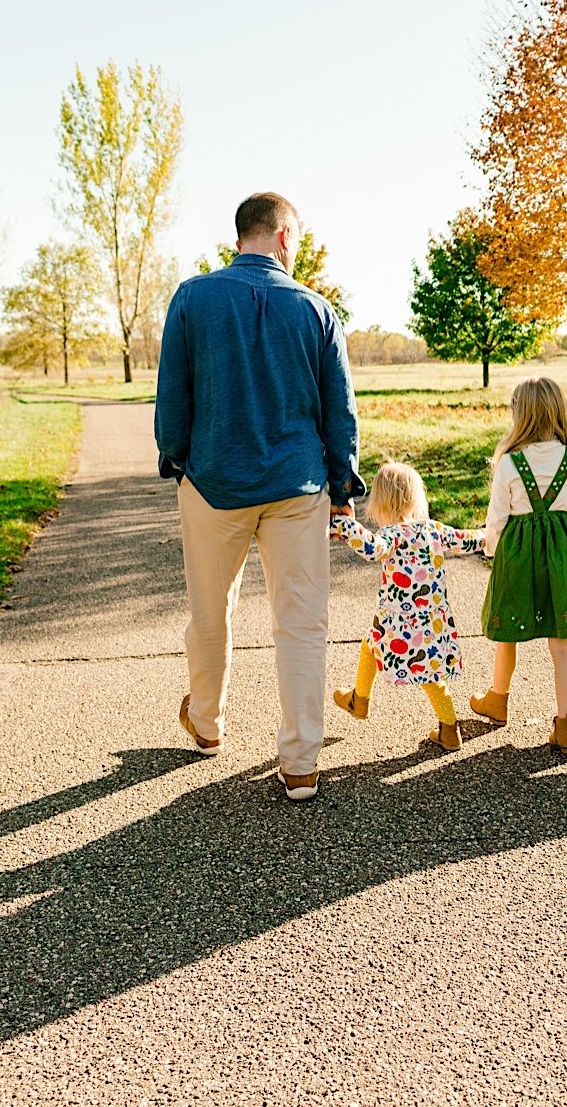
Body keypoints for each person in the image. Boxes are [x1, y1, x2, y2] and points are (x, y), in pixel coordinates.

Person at [154, 192, 364, 802]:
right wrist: (342, 488)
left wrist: (179, 461)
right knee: (300, 622)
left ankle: (208, 722)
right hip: (297, 487)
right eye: (294, 240)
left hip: (213, 481)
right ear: (282, 237)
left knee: (210, 608)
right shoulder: (317, 310)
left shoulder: (192, 299)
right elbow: (339, 412)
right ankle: (300, 759)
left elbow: (173, 400)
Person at [470, 377, 567, 758]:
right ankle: (566, 724)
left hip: (520, 555)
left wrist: (492, 552)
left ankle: (497, 699)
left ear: (520, 415)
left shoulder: (509, 463)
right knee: (562, 645)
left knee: (508, 633)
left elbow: (496, 519)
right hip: (563, 554)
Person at [328, 462, 484, 751]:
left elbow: (372, 548)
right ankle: (449, 728)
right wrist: (491, 536)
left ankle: (359, 701)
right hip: (432, 620)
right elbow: (465, 540)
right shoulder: (433, 530)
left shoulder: (392, 535)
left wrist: (344, 525)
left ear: (380, 502)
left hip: (397, 621)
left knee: (372, 646)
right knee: (430, 673)